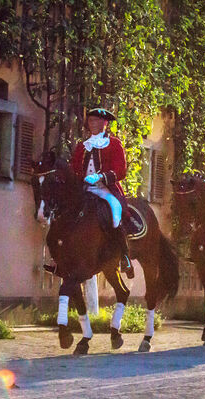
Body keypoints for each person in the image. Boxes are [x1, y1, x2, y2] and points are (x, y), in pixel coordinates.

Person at [69, 107, 134, 278]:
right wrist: (80, 177)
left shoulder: (113, 144)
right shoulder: (82, 146)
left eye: (97, 121)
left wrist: (102, 177)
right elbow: (74, 168)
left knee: (115, 213)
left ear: (105, 123)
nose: (93, 124)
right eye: (91, 121)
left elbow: (121, 171)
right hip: (84, 189)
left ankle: (124, 256)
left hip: (105, 189)